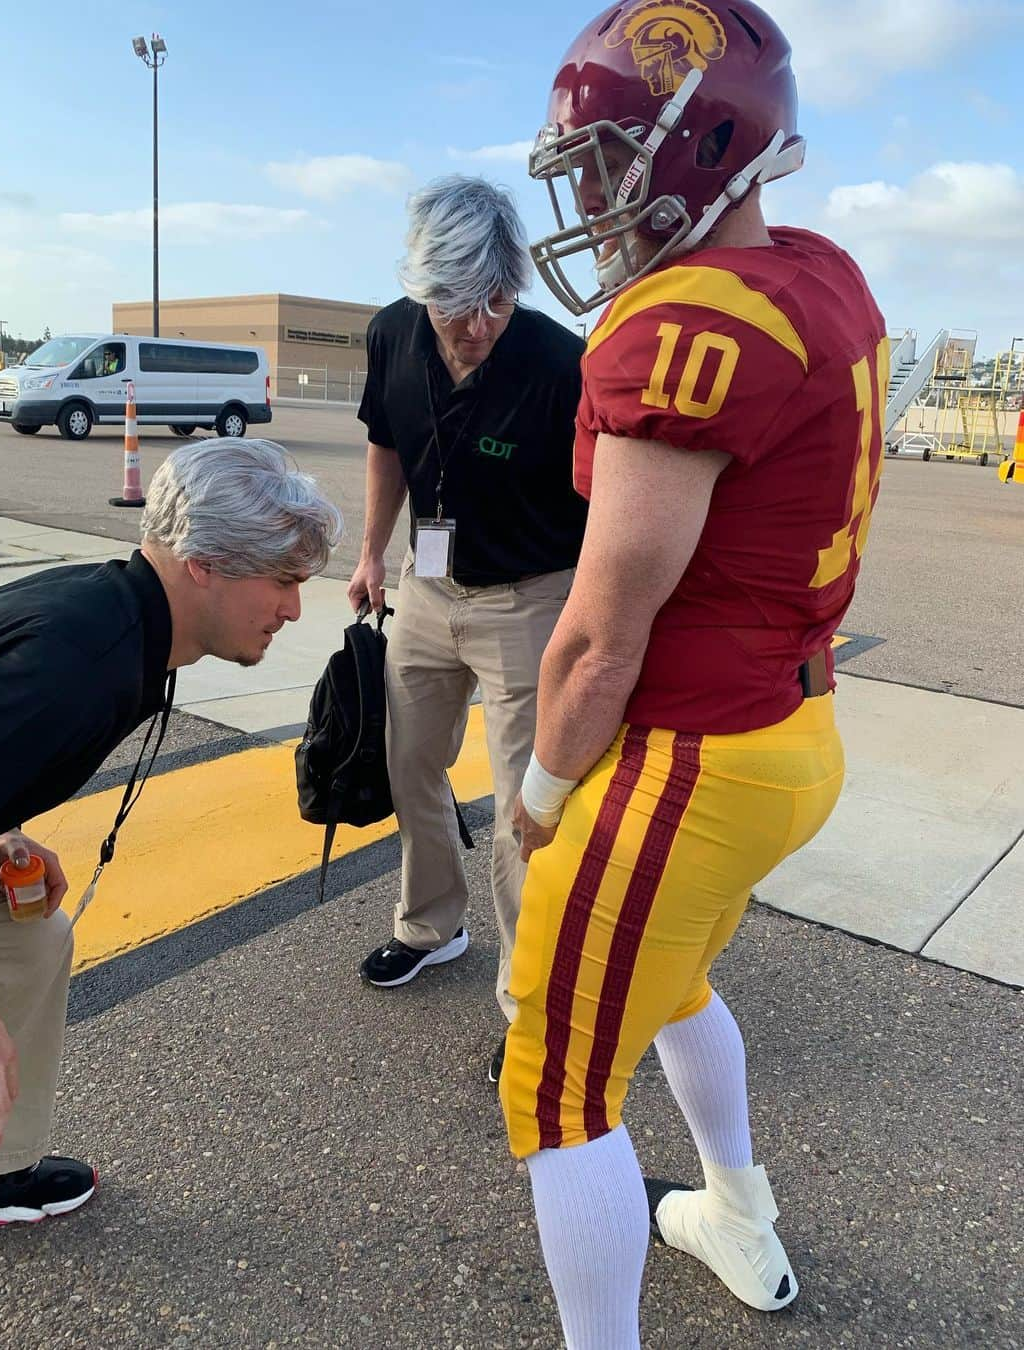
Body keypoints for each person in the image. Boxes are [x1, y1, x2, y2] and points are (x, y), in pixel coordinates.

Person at [500, 3, 889, 1345]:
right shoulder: (820, 273)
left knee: (557, 1087)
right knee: (668, 980)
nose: (592, 193)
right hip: (798, 729)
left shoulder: (682, 325)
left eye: (608, 159)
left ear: (692, 146)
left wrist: (543, 790)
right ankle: (737, 1210)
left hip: (691, 755)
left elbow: (603, 634)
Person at [0, 438, 342, 1348]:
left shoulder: (118, 612)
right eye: (281, 579)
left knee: (31, 940)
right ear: (204, 563)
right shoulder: (77, 665)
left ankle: (3, 1176)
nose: (292, 607)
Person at [348, 175, 587, 1079]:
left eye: (495, 298)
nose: (477, 321)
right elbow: (385, 444)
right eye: (455, 304)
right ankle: (429, 926)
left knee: (527, 803)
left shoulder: (561, 365)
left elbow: (608, 503)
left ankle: (530, 1006)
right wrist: (373, 555)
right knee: (411, 763)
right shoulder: (390, 334)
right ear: (421, 289)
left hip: (529, 598)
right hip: (429, 587)